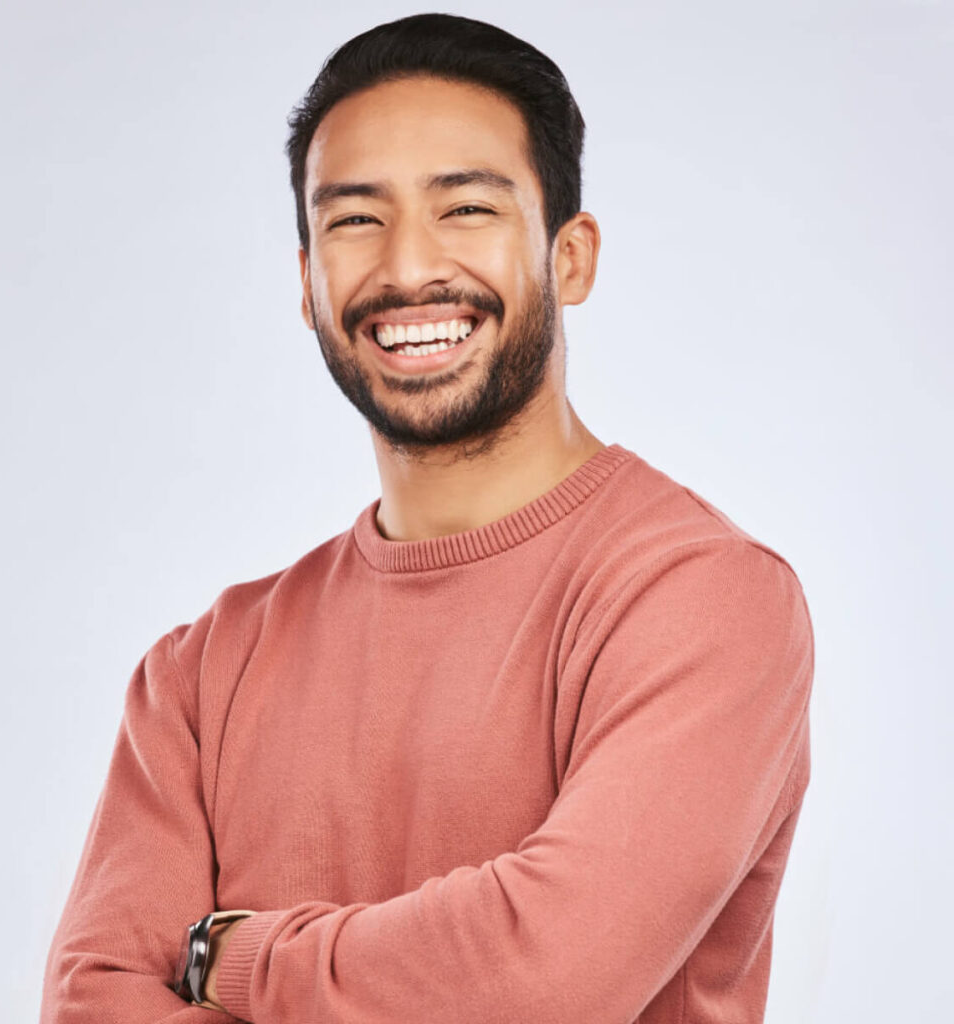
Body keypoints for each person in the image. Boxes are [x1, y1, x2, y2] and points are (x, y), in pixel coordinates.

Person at [40, 13, 814, 1024]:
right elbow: (90, 1001)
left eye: (466, 208)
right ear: (307, 283)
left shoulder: (705, 599)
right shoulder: (199, 672)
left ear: (571, 256)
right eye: (355, 220)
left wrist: (231, 955)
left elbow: (539, 978)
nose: (408, 268)